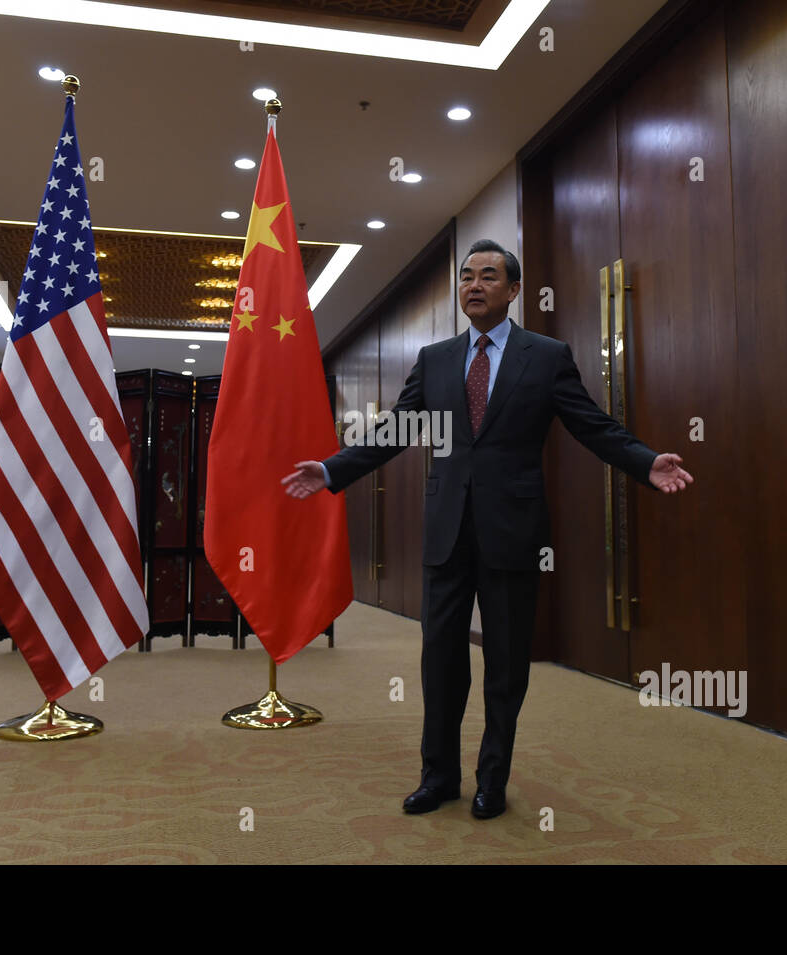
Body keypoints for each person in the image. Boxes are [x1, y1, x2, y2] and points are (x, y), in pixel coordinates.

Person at [281, 239, 693, 819]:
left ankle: (492, 779)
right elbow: (395, 430)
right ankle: (438, 777)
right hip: (446, 531)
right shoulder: (436, 359)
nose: (474, 285)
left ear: (514, 290)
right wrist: (331, 469)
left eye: (489, 276)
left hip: (513, 533)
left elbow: (592, 425)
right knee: (440, 661)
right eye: (467, 276)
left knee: (505, 664)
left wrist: (644, 461)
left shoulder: (546, 356)